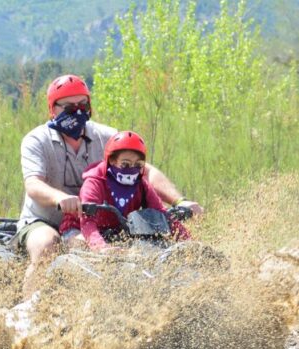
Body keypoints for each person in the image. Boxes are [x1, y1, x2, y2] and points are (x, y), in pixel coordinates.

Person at [16, 74, 203, 292]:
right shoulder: (36, 140)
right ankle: (28, 310)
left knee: (140, 251)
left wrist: (180, 201)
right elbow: (33, 185)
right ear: (53, 108)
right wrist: (60, 198)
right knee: (48, 245)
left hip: (101, 220)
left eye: (83, 104)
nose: (77, 111)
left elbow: (146, 171)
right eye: (68, 107)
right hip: (45, 220)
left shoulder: (105, 135)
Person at [59, 131, 190, 251]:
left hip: (117, 230)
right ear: (111, 160)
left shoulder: (141, 184)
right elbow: (87, 222)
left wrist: (188, 242)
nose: (132, 169)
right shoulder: (94, 182)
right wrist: (101, 248)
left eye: (138, 165)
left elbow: (163, 215)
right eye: (125, 164)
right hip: (80, 229)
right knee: (84, 247)